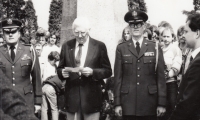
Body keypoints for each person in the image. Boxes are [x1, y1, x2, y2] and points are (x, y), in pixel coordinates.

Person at [114, 10, 166, 120]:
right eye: (132, 25)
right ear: (129, 27)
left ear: (144, 26)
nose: (136, 27)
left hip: (149, 103)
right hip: (128, 103)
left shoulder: (155, 47)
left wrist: (161, 103)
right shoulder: (121, 48)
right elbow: (118, 78)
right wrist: (117, 103)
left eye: (139, 24)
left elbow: (160, 77)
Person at [57, 17, 112, 120]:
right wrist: (61, 72)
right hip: (72, 99)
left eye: (83, 32)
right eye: (76, 32)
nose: (80, 36)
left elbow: (108, 71)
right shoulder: (66, 46)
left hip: (91, 100)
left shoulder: (99, 46)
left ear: (88, 30)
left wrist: (93, 72)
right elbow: (60, 68)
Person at [0, 18, 42, 113]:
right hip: (4, 101)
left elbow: (37, 77)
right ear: (3, 34)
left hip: (26, 100)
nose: (10, 34)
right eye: (7, 32)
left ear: (19, 34)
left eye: (14, 31)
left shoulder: (29, 50)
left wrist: (38, 102)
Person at [169, 12, 200, 120]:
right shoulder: (195, 58)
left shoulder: (198, 62)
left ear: (197, 34)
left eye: (186, 31)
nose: (183, 35)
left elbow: (188, 102)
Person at [160, 27, 182, 120]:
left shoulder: (175, 49)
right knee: (162, 107)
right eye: (164, 36)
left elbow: (177, 65)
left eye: (168, 36)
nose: (166, 39)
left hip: (171, 83)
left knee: (172, 105)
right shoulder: (159, 49)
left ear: (172, 37)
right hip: (161, 84)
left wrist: (168, 74)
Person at [41, 51, 65, 120]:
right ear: (54, 60)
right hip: (51, 87)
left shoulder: (48, 65)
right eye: (55, 60)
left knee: (44, 108)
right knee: (54, 108)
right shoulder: (51, 67)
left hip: (44, 87)